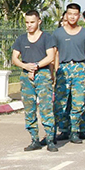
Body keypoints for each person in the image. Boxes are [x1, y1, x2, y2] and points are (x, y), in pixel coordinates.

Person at [11, 10, 57, 152]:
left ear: (39, 22)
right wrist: (26, 66)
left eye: (32, 22)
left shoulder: (46, 38)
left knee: (46, 108)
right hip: (26, 76)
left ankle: (50, 139)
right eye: (27, 22)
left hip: (42, 74)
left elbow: (51, 57)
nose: (29, 25)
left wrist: (36, 66)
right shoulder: (21, 39)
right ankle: (34, 139)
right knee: (29, 108)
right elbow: (14, 58)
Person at [52, 3, 85, 143]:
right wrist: (55, 73)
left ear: (79, 16)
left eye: (75, 14)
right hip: (63, 69)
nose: (72, 17)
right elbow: (55, 54)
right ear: (66, 15)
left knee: (78, 103)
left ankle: (75, 130)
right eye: (70, 14)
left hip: (79, 68)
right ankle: (63, 130)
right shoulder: (58, 33)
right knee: (60, 102)